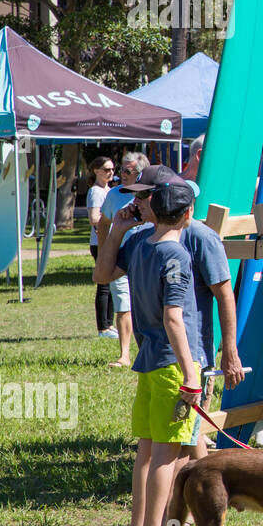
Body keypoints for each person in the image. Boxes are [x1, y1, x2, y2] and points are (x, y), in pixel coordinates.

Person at [92, 172, 202, 526]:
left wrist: (118, 231)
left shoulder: (141, 246)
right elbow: (175, 317)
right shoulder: (176, 254)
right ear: (188, 212)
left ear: (153, 207)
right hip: (172, 365)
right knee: (167, 457)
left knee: (148, 452)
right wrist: (192, 374)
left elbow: (103, 277)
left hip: (150, 362)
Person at [120, 165, 246, 459]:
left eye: (143, 196)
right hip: (159, 358)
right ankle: (205, 497)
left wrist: (230, 350)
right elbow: (102, 274)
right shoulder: (143, 239)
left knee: (181, 444)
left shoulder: (199, 237)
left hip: (191, 357)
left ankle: (201, 498)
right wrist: (112, 227)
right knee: (182, 443)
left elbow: (224, 295)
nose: (136, 203)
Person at [97, 152, 150, 367]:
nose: (122, 174)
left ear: (141, 173)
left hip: (147, 257)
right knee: (123, 305)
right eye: (122, 170)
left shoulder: (150, 194)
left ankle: (147, 352)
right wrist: (104, 253)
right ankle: (124, 355)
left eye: (128, 171)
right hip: (120, 258)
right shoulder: (114, 194)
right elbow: (103, 223)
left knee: (147, 305)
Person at [87, 156, 117, 339]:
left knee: (112, 282)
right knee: (104, 285)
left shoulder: (109, 190)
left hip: (110, 241)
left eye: (113, 169)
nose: (111, 172)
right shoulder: (95, 192)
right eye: (107, 169)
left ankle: (110, 324)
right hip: (100, 243)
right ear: (96, 171)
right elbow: (94, 219)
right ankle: (103, 328)